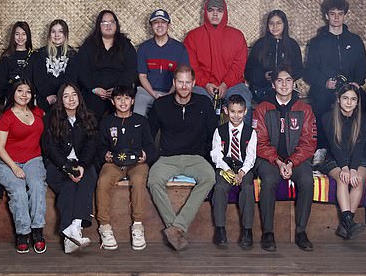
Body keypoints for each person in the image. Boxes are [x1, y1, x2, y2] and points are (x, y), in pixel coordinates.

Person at [148, 65, 217, 251]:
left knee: (209, 177)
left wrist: (211, 160)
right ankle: (175, 228)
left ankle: (177, 227)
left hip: (196, 157)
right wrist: (152, 158)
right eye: (180, 82)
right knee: (153, 180)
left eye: (188, 82)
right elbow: (149, 134)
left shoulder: (204, 103)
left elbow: (213, 135)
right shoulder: (161, 104)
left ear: (194, 83)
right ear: (174, 83)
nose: (184, 86)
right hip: (168, 157)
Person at [253, 66, 317, 252]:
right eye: (279, 80)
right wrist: (279, 162)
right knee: (269, 179)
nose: (284, 84)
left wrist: (291, 162)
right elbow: (259, 143)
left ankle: (301, 232)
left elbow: (308, 143)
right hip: (269, 160)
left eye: (288, 80)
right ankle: (268, 232)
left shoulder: (304, 109)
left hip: (295, 160)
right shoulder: (263, 108)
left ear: (294, 83)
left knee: (306, 179)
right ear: (273, 85)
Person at [305, 0, 366, 165]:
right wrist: (325, 82)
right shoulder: (317, 42)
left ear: (344, 16)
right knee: (320, 106)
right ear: (327, 16)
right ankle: (321, 148)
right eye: (332, 14)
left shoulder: (354, 41)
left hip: (350, 88)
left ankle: (359, 149)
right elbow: (309, 70)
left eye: (340, 14)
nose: (336, 18)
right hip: (326, 88)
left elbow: (363, 66)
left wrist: (356, 82)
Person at [96, 85, 156, 251]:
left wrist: (145, 155)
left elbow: (151, 146)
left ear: (133, 101)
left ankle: (138, 226)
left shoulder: (141, 121)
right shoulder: (107, 121)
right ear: (113, 101)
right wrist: (105, 155)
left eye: (127, 98)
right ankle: (105, 226)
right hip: (114, 163)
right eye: (119, 98)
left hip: (137, 163)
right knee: (103, 180)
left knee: (138, 180)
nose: (123, 102)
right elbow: (99, 146)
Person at [42, 83, 98, 254]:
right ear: (60, 100)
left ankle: (72, 230)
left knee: (87, 179)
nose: (71, 99)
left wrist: (81, 165)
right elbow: (50, 148)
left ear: (79, 97)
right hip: (58, 164)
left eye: (74, 94)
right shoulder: (51, 118)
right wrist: (67, 167)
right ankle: (73, 230)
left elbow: (91, 145)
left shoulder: (88, 117)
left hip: (82, 163)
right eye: (66, 96)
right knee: (68, 185)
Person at [0, 79, 47, 254]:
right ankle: (23, 233)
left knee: (37, 186)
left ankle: (38, 231)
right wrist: (15, 168)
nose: (24, 95)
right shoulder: (6, 117)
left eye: (28, 92)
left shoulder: (38, 112)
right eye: (20, 91)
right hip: (8, 161)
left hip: (33, 159)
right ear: (13, 93)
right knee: (18, 191)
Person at [184, 0, 253, 123]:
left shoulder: (237, 36)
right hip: (202, 85)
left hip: (232, 85)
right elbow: (192, 67)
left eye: (219, 11)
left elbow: (238, 67)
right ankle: (203, 143)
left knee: (245, 105)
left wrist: (225, 84)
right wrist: (206, 83)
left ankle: (244, 141)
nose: (215, 14)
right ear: (205, 12)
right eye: (211, 10)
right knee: (197, 107)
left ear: (225, 12)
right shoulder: (193, 37)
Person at [319, 84, 366, 240]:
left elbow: (360, 146)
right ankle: (348, 222)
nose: (349, 102)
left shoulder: (365, 119)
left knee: (358, 181)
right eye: (345, 98)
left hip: (358, 157)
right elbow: (335, 146)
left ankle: (346, 225)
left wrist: (353, 168)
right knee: (343, 180)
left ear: (357, 102)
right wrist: (345, 168)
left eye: (353, 99)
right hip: (335, 158)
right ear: (338, 99)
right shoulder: (328, 117)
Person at [210, 94, 257, 249]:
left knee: (248, 189)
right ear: (226, 111)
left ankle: (247, 231)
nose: (236, 115)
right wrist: (228, 170)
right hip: (226, 165)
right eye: (232, 111)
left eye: (239, 112)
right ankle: (220, 229)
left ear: (245, 112)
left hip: (244, 166)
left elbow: (251, 157)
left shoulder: (251, 132)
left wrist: (242, 173)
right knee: (220, 188)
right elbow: (216, 154)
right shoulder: (219, 130)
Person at [76, 10, 137, 120]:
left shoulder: (125, 45)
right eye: (104, 23)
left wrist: (117, 89)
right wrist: (94, 89)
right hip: (94, 91)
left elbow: (131, 70)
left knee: (120, 108)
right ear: (98, 25)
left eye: (111, 22)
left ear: (116, 25)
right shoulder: (89, 45)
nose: (108, 26)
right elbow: (81, 71)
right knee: (91, 115)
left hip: (119, 91)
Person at [134, 9, 190, 117]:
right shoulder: (144, 48)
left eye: (163, 22)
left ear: (169, 25)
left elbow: (182, 77)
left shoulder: (179, 48)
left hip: (173, 92)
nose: (159, 25)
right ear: (151, 25)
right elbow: (142, 76)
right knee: (138, 114)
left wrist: (169, 95)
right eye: (156, 22)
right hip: (148, 91)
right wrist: (154, 94)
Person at [245, 10, 304, 103]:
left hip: (286, 88)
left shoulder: (292, 45)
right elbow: (249, 71)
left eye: (278, 23)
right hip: (263, 88)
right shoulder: (259, 45)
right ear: (267, 26)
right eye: (271, 23)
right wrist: (263, 76)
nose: (275, 27)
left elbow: (299, 69)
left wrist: (284, 78)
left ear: (284, 25)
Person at [33, 19, 77, 112]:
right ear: (49, 34)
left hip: (65, 97)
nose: (57, 35)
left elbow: (72, 78)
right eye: (53, 32)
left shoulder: (72, 54)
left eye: (60, 31)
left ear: (66, 34)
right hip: (45, 96)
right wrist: (48, 96)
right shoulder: (41, 53)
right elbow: (38, 77)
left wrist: (61, 96)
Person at [0, 21, 36, 98]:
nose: (20, 37)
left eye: (24, 34)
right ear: (13, 36)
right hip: (11, 97)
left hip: (30, 97)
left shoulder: (34, 55)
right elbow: (2, 81)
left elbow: (38, 79)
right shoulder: (6, 57)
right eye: (17, 34)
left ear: (28, 36)